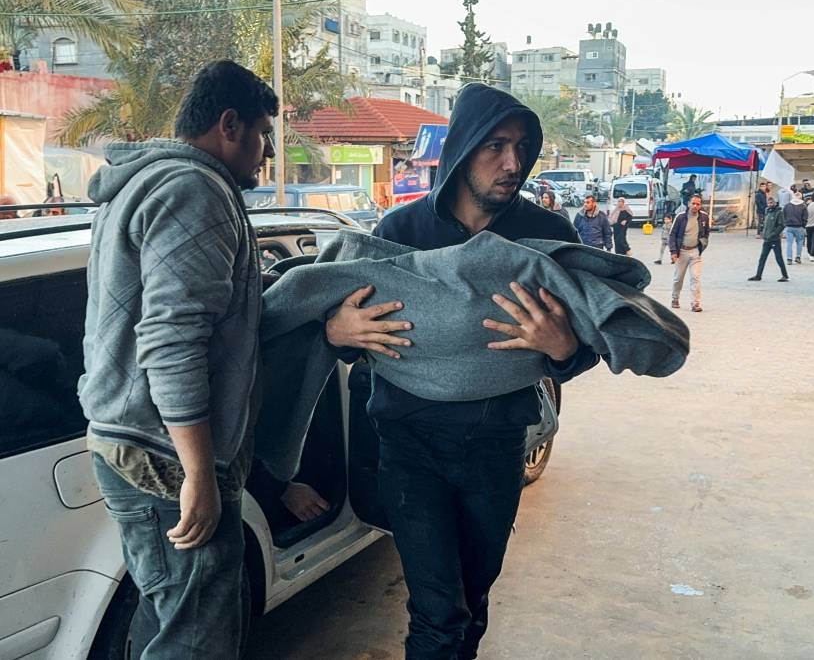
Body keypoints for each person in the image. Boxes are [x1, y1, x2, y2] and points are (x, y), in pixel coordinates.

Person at [324, 82, 599, 659]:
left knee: (473, 600)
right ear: (462, 150)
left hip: (497, 446)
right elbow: (352, 333)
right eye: (495, 146)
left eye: (521, 148)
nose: (513, 163)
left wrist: (563, 348)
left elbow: (595, 340)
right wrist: (338, 331)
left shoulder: (549, 238)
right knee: (438, 613)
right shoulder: (400, 233)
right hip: (409, 447)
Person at [78, 60, 278, 658]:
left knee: (168, 619)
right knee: (197, 640)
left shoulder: (142, 183)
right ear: (229, 125)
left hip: (133, 440)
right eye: (264, 134)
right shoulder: (193, 190)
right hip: (164, 454)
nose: (268, 153)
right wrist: (199, 473)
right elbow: (172, 339)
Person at [668, 193, 710, 312]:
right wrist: (673, 251)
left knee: (695, 277)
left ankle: (695, 303)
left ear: (700, 205)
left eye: (698, 204)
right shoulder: (680, 217)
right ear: (688, 204)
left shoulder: (704, 217)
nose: (695, 206)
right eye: (693, 203)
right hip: (681, 251)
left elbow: (706, 232)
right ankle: (675, 298)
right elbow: (672, 235)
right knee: (678, 278)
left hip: (695, 251)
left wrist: (703, 244)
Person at [747, 196, 789, 282]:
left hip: (775, 240)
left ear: (775, 203)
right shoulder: (767, 211)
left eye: (771, 203)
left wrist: (774, 234)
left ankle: (785, 275)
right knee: (762, 258)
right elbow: (764, 223)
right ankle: (758, 275)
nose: (770, 204)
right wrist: (762, 232)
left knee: (778, 258)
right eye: (768, 203)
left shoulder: (779, 212)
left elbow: (781, 225)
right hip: (766, 239)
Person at [783, 191, 808, 264]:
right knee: (799, 242)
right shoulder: (803, 206)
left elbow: (783, 215)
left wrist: (785, 224)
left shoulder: (787, 205)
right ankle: (798, 257)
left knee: (789, 243)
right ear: (801, 197)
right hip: (799, 227)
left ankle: (789, 259)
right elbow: (805, 217)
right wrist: (803, 226)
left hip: (789, 226)